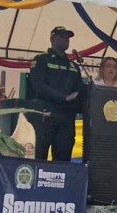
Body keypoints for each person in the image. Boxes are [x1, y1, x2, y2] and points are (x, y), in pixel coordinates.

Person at [28, 25, 86, 161]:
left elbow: (80, 89)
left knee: (63, 158)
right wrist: (64, 97)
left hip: (67, 117)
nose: (66, 40)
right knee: (39, 155)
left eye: (68, 37)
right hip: (46, 114)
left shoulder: (73, 66)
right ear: (53, 39)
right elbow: (39, 86)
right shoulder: (41, 60)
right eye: (63, 36)